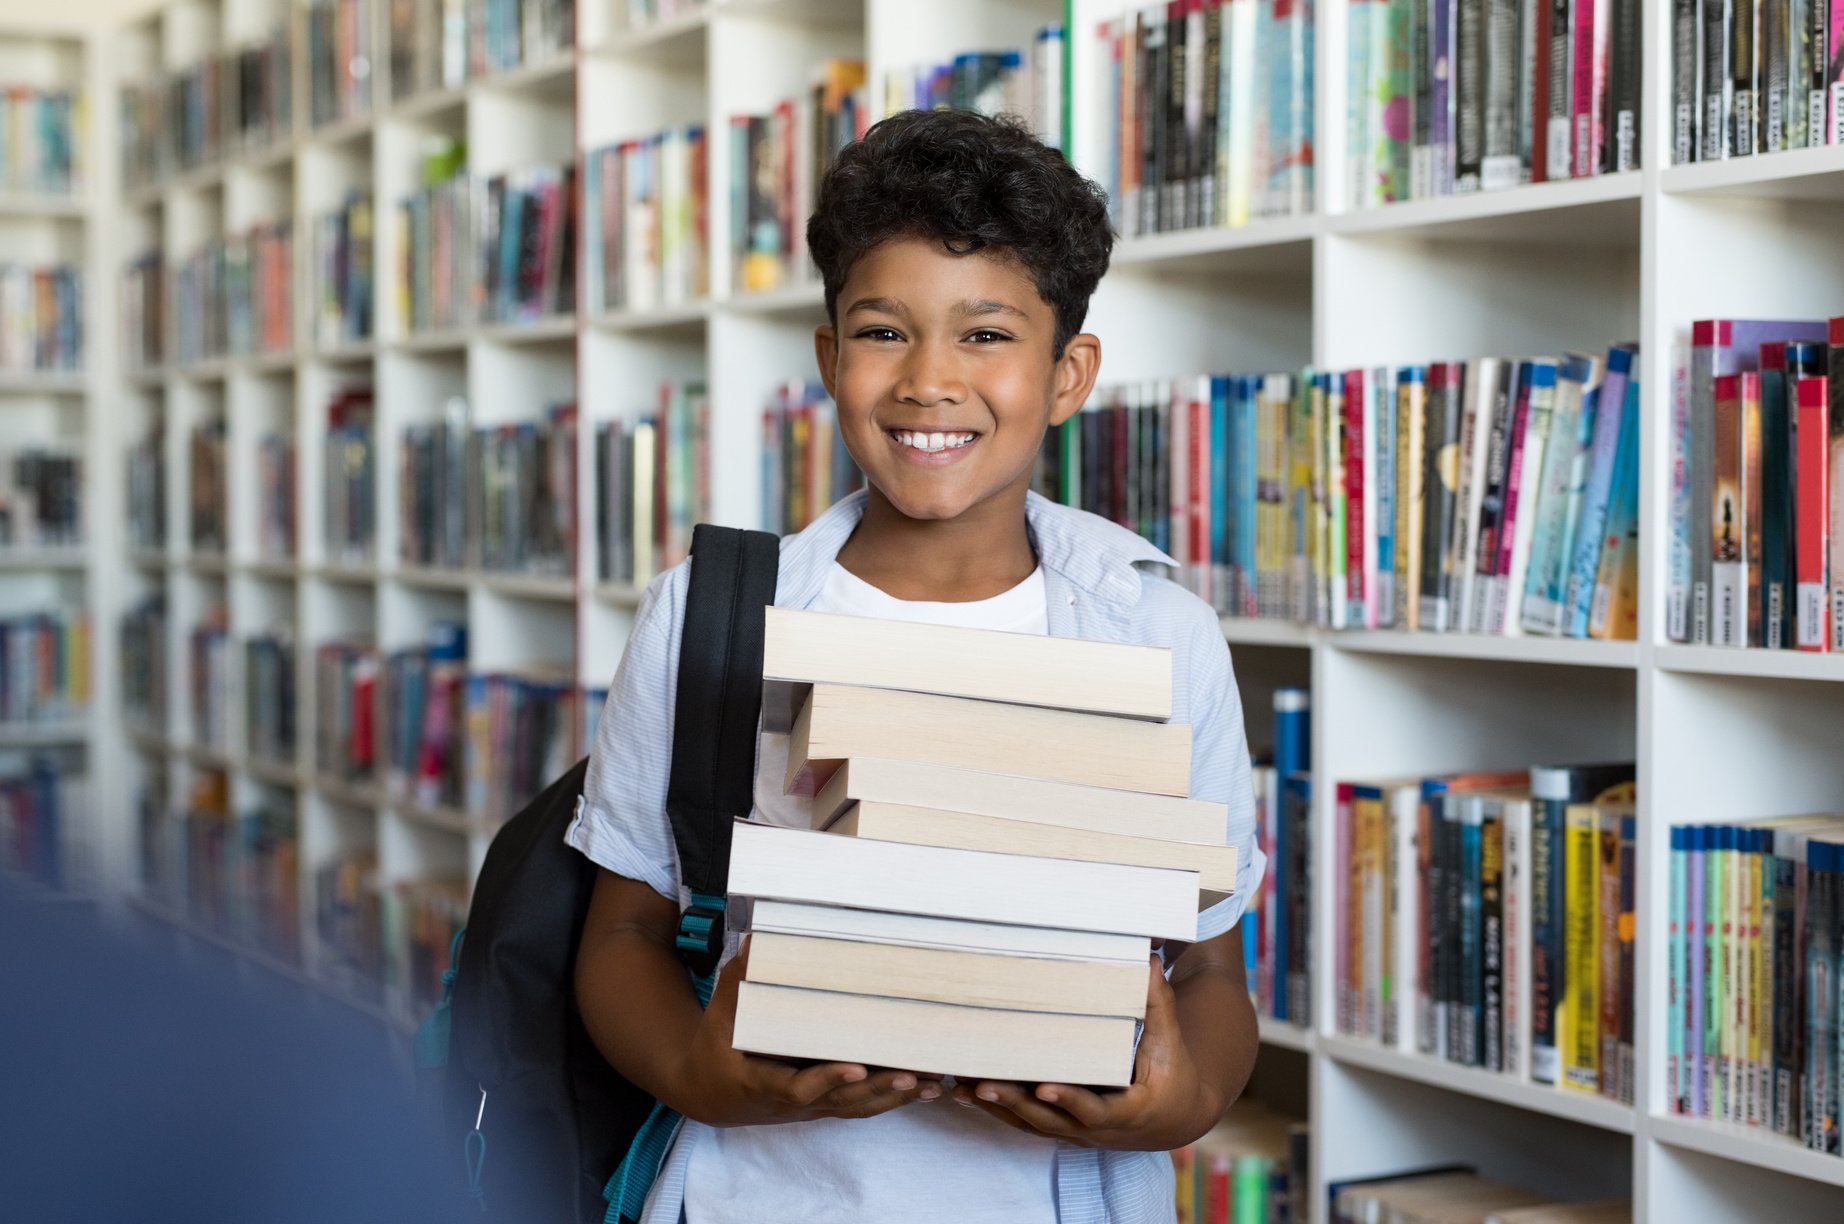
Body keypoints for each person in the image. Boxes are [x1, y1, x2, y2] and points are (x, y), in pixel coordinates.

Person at [568, 107, 1265, 1224]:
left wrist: (1177, 1107)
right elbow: (625, 928)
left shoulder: (1158, 634)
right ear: (829, 356)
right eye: (884, 331)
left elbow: (1210, 974)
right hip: (758, 1196)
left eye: (985, 335)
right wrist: (703, 1077)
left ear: (1067, 371)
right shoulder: (714, 615)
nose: (928, 381)